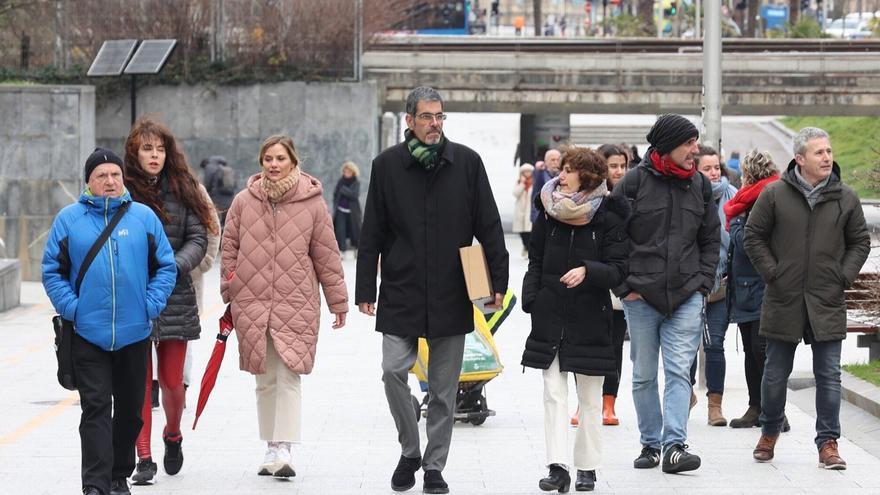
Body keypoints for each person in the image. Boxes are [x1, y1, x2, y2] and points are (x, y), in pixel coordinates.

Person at [355, 86, 508, 494]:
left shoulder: (467, 164)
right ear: (409, 121)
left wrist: (498, 284)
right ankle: (410, 450)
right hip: (401, 288)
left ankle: (434, 466)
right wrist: (365, 286)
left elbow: (489, 226)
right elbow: (372, 231)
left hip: (451, 291)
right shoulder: (386, 166)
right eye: (426, 116)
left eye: (440, 116)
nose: (434, 124)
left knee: (443, 391)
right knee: (392, 372)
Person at [42, 148, 176, 495]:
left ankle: (119, 474)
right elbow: (52, 271)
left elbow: (165, 266)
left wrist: (150, 305)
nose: (110, 181)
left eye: (115, 174)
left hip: (134, 332)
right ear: (88, 181)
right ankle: (96, 485)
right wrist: (73, 308)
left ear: (123, 179)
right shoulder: (69, 220)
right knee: (96, 409)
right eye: (101, 175)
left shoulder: (143, 217)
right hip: (88, 333)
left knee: (131, 412)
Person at [221, 134, 348, 478]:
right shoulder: (243, 202)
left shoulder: (313, 204)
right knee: (263, 376)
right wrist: (229, 283)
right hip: (251, 299)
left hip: (296, 301)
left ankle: (285, 447)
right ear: (261, 162)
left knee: (288, 373)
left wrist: (338, 301)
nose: (273, 165)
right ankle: (270, 445)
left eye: (280, 158)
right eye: (268, 159)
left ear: (293, 160)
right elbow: (228, 245)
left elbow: (327, 255)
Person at [746, 127, 870, 469]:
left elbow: (860, 242)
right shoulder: (773, 195)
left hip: (826, 299)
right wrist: (773, 272)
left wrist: (842, 275)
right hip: (783, 297)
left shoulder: (846, 197)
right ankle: (769, 431)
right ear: (799, 158)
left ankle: (828, 443)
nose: (827, 157)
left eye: (828, 151)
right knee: (774, 374)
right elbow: (753, 236)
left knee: (829, 375)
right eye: (819, 152)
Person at [611, 114, 720, 474]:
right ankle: (650, 443)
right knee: (643, 374)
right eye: (689, 143)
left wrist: (704, 284)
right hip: (640, 298)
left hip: (687, 294)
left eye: (696, 142)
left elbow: (710, 239)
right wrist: (623, 287)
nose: (695, 150)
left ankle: (675, 445)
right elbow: (611, 238)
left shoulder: (700, 186)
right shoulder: (632, 183)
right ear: (668, 145)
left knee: (678, 372)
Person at [522, 147, 628, 493]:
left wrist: (588, 271)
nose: (561, 175)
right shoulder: (548, 211)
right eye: (562, 169)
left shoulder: (608, 216)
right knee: (553, 392)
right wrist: (532, 300)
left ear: (588, 176)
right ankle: (557, 466)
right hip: (550, 313)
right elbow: (534, 260)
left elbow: (618, 270)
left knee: (590, 397)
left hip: (591, 317)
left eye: (569, 170)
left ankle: (587, 467)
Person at [124, 117, 215, 485]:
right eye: (147, 148)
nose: (155, 155)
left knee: (173, 381)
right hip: (132, 296)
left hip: (175, 293)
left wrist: (171, 267)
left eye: (160, 149)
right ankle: (143, 457)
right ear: (134, 151)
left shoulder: (184, 188)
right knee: (138, 382)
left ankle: (172, 434)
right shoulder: (121, 188)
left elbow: (200, 238)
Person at [723, 149, 779, 429]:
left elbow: (748, 244)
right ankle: (756, 407)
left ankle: (772, 410)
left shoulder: (761, 200)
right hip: (746, 287)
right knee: (752, 350)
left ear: (748, 175)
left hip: (759, 287)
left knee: (761, 351)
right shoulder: (757, 198)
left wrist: (736, 224)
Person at [688, 145, 737, 426]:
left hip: (721, 285)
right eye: (707, 168)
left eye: (717, 167)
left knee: (715, 345)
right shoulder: (689, 195)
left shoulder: (732, 197)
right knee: (687, 345)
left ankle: (714, 405)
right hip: (692, 285)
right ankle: (686, 393)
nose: (714, 173)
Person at [332, 161, 363, 259]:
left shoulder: (356, 182)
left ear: (353, 172)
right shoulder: (340, 181)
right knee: (340, 231)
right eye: (345, 171)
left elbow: (354, 195)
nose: (346, 173)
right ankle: (342, 252)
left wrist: (344, 190)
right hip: (341, 210)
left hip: (353, 212)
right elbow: (336, 193)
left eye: (348, 171)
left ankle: (357, 250)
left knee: (355, 232)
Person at [201, 155, 236, 228]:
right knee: (226, 224)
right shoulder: (228, 169)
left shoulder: (209, 167)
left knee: (216, 224)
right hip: (230, 201)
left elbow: (207, 186)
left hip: (216, 201)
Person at [531, 149, 562, 223]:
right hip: (541, 217)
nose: (556, 163)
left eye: (558, 160)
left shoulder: (563, 176)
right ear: (546, 162)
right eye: (552, 160)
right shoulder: (540, 174)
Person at [512, 163, 535, 258]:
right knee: (522, 232)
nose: (527, 173)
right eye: (525, 171)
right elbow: (515, 194)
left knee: (529, 232)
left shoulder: (534, 182)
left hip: (530, 211)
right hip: (520, 211)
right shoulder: (519, 182)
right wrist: (522, 183)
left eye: (529, 171)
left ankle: (529, 250)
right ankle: (526, 247)